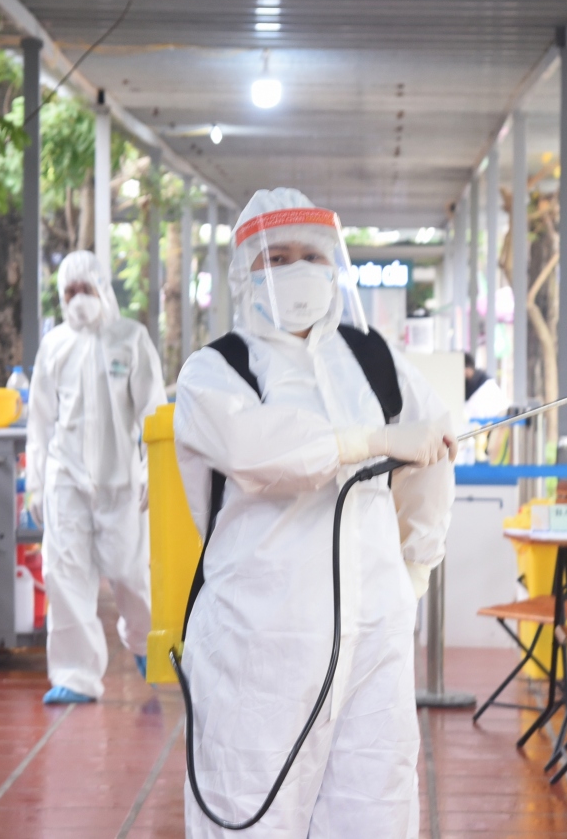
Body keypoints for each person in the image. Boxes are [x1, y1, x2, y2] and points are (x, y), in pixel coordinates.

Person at [174, 188, 456, 837]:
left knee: (375, 811)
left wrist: (415, 567)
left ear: (334, 266)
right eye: (276, 258)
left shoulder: (373, 358)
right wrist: (371, 440)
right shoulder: (215, 371)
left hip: (375, 643)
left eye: (311, 255)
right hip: (257, 644)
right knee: (249, 813)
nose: (296, 269)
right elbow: (257, 450)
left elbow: (433, 450)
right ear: (245, 272)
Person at [24, 249, 166, 704]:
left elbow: (153, 409)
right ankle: (75, 675)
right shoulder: (54, 346)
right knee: (64, 575)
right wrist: (36, 482)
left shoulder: (131, 339)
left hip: (122, 481)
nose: (78, 298)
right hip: (66, 478)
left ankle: (143, 642)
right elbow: (39, 420)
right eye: (70, 291)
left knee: (130, 573)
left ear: (103, 289)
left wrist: (153, 467)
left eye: (86, 288)